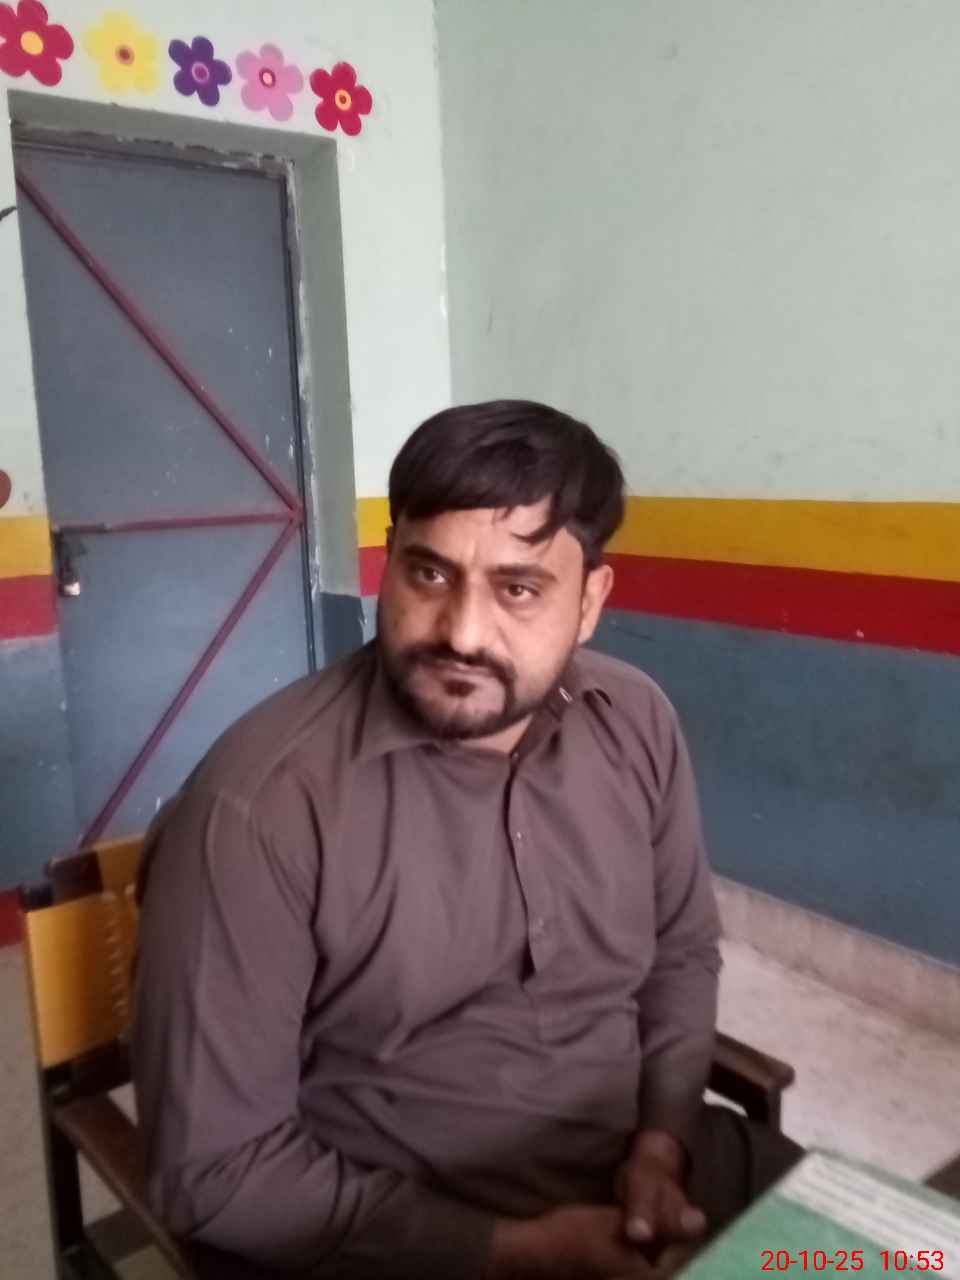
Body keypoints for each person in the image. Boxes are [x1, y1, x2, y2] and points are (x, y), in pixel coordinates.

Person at [132, 400, 801, 1280]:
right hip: (402, 1231)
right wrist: (518, 1251)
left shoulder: (636, 722)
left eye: (518, 588)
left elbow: (680, 953)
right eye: (429, 573)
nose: (463, 632)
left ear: (591, 601)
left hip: (649, 1163)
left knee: (910, 1251)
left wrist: (663, 1143)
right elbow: (214, 1173)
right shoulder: (259, 810)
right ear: (388, 563)